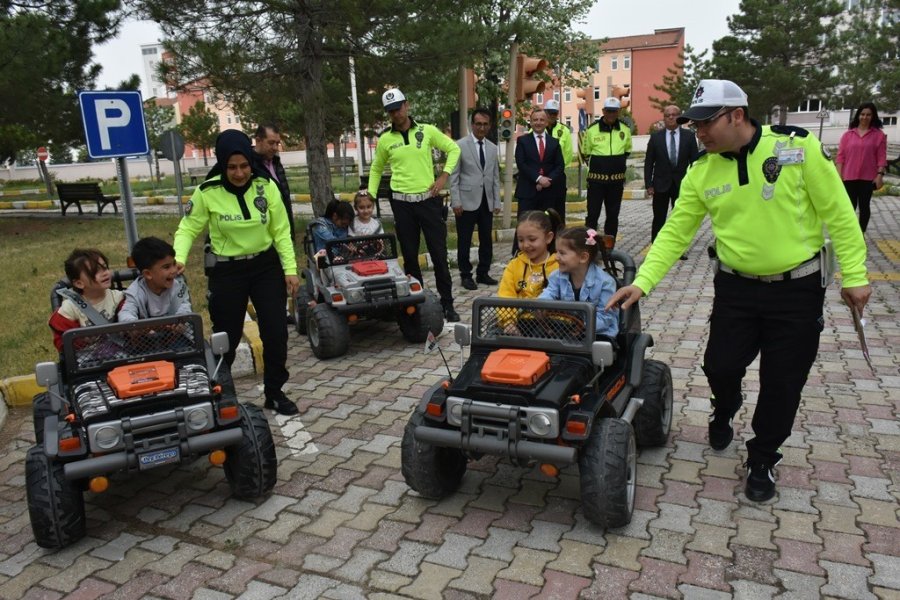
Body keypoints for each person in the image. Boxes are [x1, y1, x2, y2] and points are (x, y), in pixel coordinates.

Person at [606, 79, 871, 503]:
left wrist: (855, 275)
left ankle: (763, 457)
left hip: (797, 289)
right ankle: (725, 405)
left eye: (707, 123)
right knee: (720, 365)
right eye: (694, 125)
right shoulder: (702, 170)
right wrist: (643, 282)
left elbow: (839, 214)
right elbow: (676, 232)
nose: (700, 132)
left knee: (782, 382)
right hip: (735, 288)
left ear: (737, 115)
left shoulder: (796, 150)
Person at [174, 129, 300, 416]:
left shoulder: (266, 186)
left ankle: (275, 392)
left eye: (244, 165)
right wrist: (179, 257)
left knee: (276, 332)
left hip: (265, 267)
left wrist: (290, 269)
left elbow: (281, 231)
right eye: (232, 167)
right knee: (226, 338)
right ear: (222, 164)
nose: (240, 173)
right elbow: (188, 228)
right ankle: (222, 394)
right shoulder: (207, 191)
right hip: (227, 271)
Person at [367, 88, 462, 322]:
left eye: (398, 108)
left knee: (439, 255)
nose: (396, 114)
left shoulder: (426, 130)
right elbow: (377, 169)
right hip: (402, 204)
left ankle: (447, 304)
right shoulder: (386, 139)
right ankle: (417, 305)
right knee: (410, 257)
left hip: (428, 202)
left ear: (407, 106)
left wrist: (443, 176)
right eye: (390, 111)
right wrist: (369, 195)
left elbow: (454, 149)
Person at [450, 107, 501, 290]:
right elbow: (453, 176)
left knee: (486, 239)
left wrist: (497, 201)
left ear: (490, 126)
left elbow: (495, 176)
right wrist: (455, 201)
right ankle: (465, 275)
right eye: (478, 124)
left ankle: (483, 273)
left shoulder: (493, 148)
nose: (481, 128)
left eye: (485, 124)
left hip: (486, 201)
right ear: (472, 124)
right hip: (465, 202)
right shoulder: (459, 145)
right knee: (464, 240)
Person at [539, 226, 618, 338]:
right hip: (564, 332)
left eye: (562, 253)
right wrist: (541, 305)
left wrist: (582, 326)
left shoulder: (605, 283)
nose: (556, 257)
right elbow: (549, 293)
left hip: (598, 334)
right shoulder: (556, 276)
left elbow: (606, 317)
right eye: (556, 252)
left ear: (583, 257)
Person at [644, 105, 699, 257]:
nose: (671, 117)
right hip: (660, 184)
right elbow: (649, 162)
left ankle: (679, 249)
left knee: (680, 219)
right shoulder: (656, 137)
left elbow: (695, 162)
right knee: (659, 218)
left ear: (679, 117)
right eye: (668, 115)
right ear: (664, 117)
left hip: (682, 185)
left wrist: (695, 184)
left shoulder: (689, 136)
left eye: (674, 115)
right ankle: (656, 248)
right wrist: (648, 184)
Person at [49, 249, 125, 352]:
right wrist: (82, 340)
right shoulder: (70, 308)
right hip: (86, 361)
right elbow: (62, 343)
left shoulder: (118, 298)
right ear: (79, 283)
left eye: (105, 267)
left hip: (121, 353)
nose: (105, 273)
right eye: (95, 271)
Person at [513, 108, 564, 255]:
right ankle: (519, 255)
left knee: (547, 225)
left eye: (542, 120)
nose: (538, 123)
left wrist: (549, 179)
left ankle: (549, 254)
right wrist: (538, 178)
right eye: (535, 120)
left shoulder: (554, 142)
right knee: (524, 224)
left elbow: (559, 165)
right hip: (528, 191)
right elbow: (521, 164)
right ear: (531, 122)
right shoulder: (522, 141)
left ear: (547, 122)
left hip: (548, 191)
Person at [580, 97, 632, 239]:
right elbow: (586, 153)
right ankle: (589, 243)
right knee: (593, 214)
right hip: (596, 181)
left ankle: (610, 244)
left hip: (616, 181)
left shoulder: (625, 130)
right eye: (608, 111)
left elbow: (627, 151)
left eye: (614, 111)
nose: (611, 114)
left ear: (618, 112)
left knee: (613, 214)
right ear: (603, 111)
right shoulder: (592, 130)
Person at [836, 102, 888, 233]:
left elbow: (882, 157)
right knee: (849, 207)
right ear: (858, 115)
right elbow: (840, 157)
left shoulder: (879, 135)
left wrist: (880, 175)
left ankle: (861, 233)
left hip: (868, 177)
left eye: (868, 115)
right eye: (862, 114)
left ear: (873, 116)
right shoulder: (848, 135)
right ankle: (849, 233)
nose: (865, 117)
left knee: (864, 207)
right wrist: (838, 175)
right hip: (849, 177)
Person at [118, 237, 192, 322]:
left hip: (179, 335)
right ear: (148, 274)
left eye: (174, 264)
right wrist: (136, 327)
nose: (174, 270)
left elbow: (184, 308)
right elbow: (126, 313)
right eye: (166, 267)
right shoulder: (136, 293)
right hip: (147, 334)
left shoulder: (178, 287)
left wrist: (181, 323)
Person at [498, 209, 561, 299]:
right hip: (518, 313)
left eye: (532, 239)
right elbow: (504, 298)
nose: (526, 245)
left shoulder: (559, 266)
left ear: (548, 237)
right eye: (521, 240)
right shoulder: (513, 266)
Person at [254, 124, 295, 240]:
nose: (275, 147)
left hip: (283, 232)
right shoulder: (249, 167)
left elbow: (285, 199)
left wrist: (290, 234)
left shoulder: (277, 163)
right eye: (271, 143)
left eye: (277, 143)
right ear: (258, 141)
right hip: (264, 237)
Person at [543, 99, 574, 219]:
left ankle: (559, 234)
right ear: (545, 112)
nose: (551, 116)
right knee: (543, 209)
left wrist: (556, 172)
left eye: (554, 113)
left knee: (559, 210)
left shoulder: (564, 131)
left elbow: (568, 153)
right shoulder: (536, 129)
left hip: (558, 176)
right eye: (549, 112)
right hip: (541, 176)